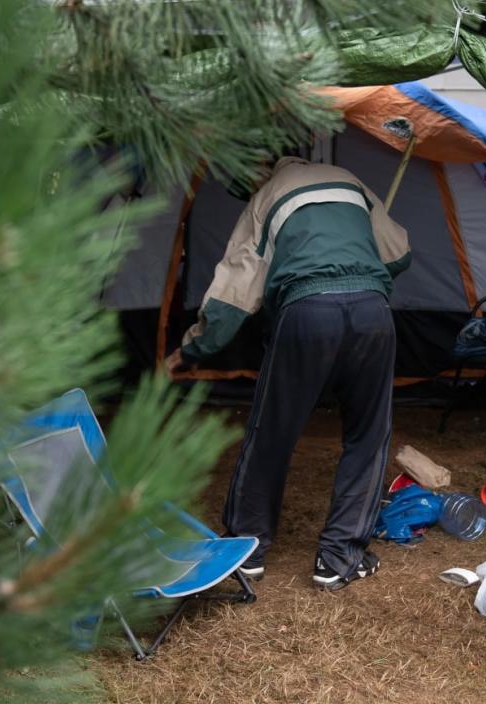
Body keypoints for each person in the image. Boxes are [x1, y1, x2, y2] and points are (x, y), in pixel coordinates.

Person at [165, 155, 411, 591]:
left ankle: (247, 551)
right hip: (373, 312)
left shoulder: (266, 197)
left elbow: (235, 289)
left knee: (272, 431)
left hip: (306, 312)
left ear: (260, 171)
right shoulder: (348, 177)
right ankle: (339, 557)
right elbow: (398, 252)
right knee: (368, 436)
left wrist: (194, 348)